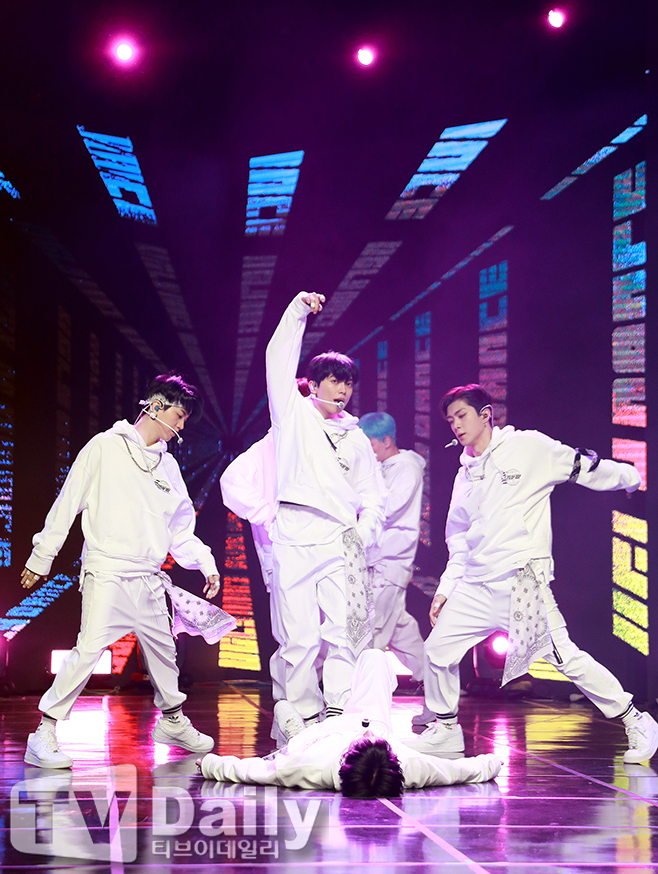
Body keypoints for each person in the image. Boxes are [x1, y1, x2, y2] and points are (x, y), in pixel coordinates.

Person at [407, 384, 658, 765]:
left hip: (521, 582)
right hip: (475, 585)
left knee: (567, 658)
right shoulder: (464, 476)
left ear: (486, 414)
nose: (455, 425)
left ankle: (635, 720)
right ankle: (446, 730)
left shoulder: (527, 447)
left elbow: (581, 466)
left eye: (461, 415)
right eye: (450, 420)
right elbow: (458, 540)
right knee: (437, 650)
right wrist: (446, 589)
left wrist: (630, 476)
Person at [21, 373, 221, 769]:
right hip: (108, 570)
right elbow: (68, 502)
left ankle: (173, 721)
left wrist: (206, 563)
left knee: (164, 653)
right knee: (88, 651)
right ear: (156, 406)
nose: (181, 427)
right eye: (179, 416)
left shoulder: (168, 467)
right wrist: (41, 557)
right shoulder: (104, 447)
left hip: (148, 576)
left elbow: (181, 529)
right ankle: (43, 732)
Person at [265, 291, 386, 724]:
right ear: (313, 385)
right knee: (298, 637)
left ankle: (339, 711)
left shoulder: (357, 438)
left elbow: (373, 496)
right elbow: (277, 359)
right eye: (333, 381)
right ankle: (300, 716)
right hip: (293, 535)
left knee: (343, 632)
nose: (342, 390)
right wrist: (297, 311)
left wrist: (362, 533)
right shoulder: (292, 415)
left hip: (339, 541)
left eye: (347, 383)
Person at [199, 649, 502, 796]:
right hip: (365, 718)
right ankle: (333, 708)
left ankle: (298, 732)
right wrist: (493, 763)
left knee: (285, 715)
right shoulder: (407, 765)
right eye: (376, 743)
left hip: (313, 738)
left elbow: (253, 772)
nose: (368, 738)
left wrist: (210, 764)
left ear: (345, 758)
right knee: (374, 657)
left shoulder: (305, 767)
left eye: (365, 743)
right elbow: (456, 772)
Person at [358, 412, 425, 681]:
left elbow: (389, 508)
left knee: (371, 629)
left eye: (370, 445)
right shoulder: (381, 468)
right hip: (378, 560)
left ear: (386, 441)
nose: (366, 452)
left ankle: (358, 692)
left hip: (390, 561)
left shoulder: (406, 468)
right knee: (400, 630)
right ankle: (434, 685)